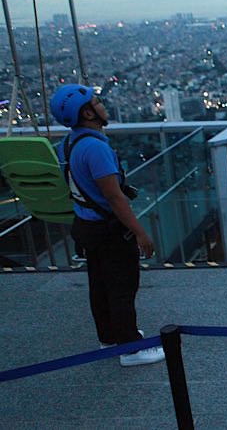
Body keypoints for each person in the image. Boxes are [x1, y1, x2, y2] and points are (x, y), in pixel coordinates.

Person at [50, 84, 165, 367]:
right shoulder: (95, 148)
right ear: (87, 113)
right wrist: (139, 232)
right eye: (97, 102)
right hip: (108, 229)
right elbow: (114, 196)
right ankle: (131, 348)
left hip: (86, 226)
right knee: (122, 286)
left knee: (100, 285)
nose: (103, 105)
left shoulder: (68, 143)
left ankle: (110, 338)